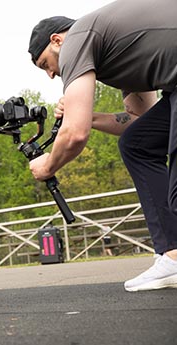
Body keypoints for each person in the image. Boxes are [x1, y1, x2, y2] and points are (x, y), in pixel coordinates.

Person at [27, 0, 177, 292]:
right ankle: (172, 253)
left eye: (45, 64)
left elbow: (74, 135)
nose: (50, 74)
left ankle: (173, 258)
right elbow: (138, 121)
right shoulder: (120, 54)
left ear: (57, 40)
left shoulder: (78, 38)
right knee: (138, 143)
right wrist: (89, 116)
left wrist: (48, 165)